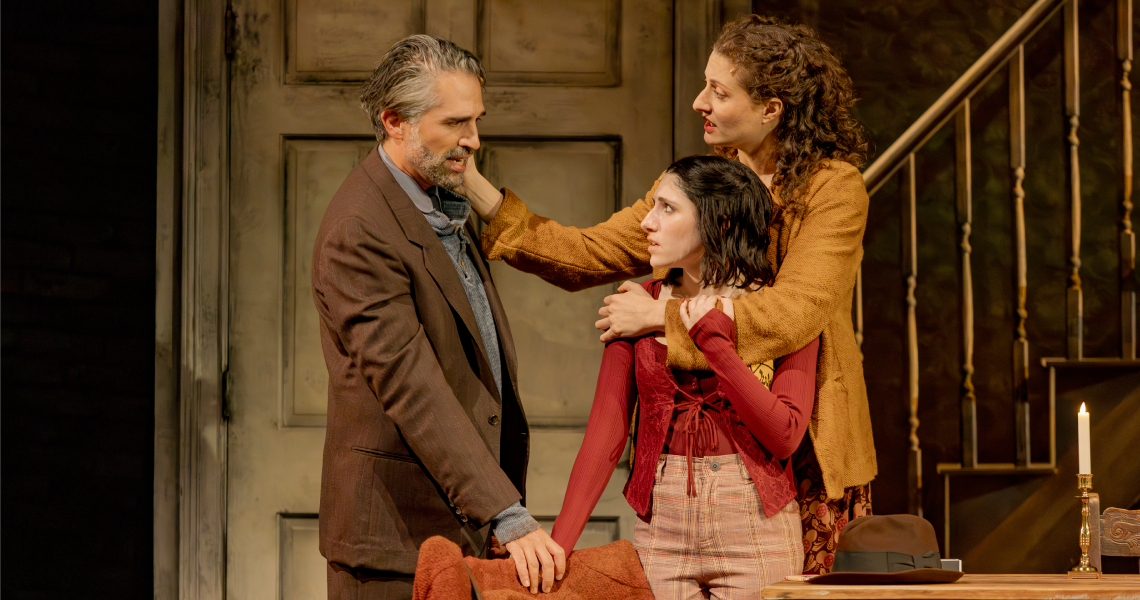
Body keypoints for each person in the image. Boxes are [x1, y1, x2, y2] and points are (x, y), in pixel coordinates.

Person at [459, 15, 875, 574]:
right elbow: (588, 253)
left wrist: (662, 317)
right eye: (704, 83)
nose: (700, 101)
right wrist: (472, 185)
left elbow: (795, 312)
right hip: (691, 479)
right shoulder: (698, 186)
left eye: (720, 92)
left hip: (807, 445)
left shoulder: (832, 188)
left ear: (772, 108)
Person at [311, 35, 564, 599]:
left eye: (475, 120)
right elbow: (411, 383)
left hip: (455, 528)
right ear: (395, 120)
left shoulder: (439, 197)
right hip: (395, 538)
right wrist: (505, 512)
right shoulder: (361, 228)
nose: (473, 140)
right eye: (454, 123)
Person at [551, 155, 816, 597]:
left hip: (756, 524)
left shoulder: (781, 311)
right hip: (663, 527)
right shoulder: (636, 304)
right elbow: (606, 430)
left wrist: (707, 337)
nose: (647, 224)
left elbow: (785, 434)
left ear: (722, 223)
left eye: (668, 208)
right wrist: (560, 546)